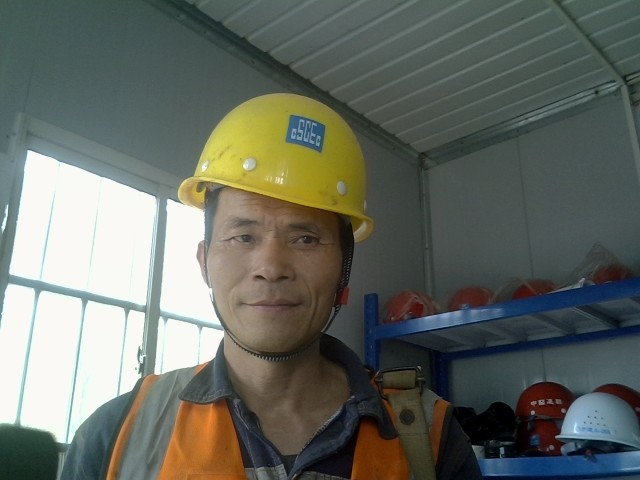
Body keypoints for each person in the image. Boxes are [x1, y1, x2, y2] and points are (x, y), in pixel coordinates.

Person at [61, 93, 482, 479]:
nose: (271, 267)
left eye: (306, 239)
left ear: (343, 270)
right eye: (243, 236)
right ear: (204, 263)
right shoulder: (116, 435)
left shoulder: (430, 438)